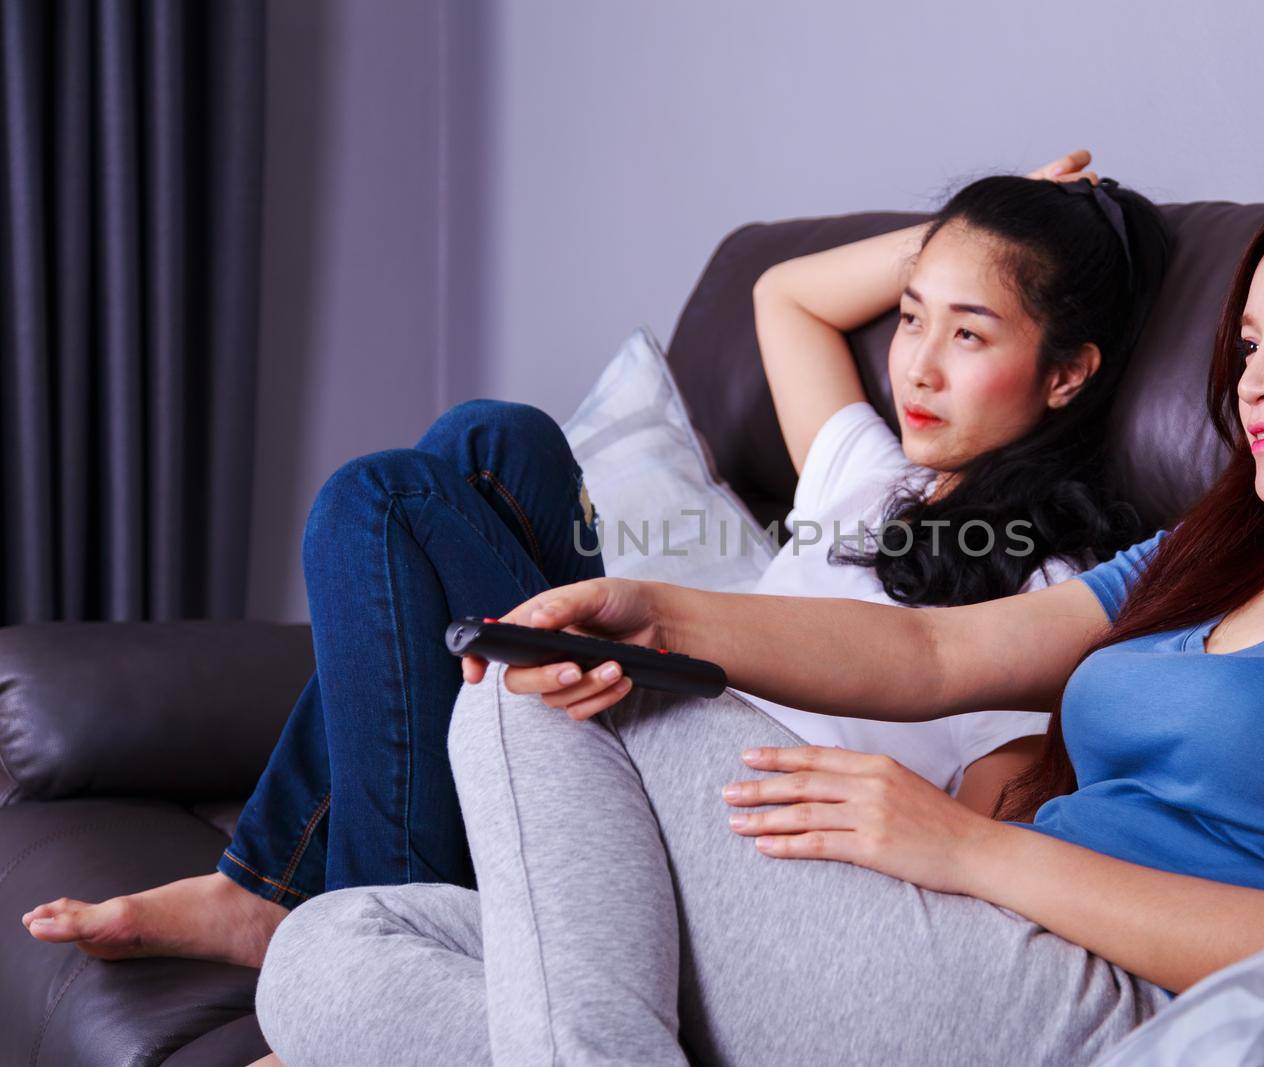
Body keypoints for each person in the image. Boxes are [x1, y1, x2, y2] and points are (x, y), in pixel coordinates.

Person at [250, 173, 1264, 1067]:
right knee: (324, 956)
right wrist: (659, 605)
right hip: (952, 932)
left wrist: (968, 851)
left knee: (517, 692)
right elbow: (936, 649)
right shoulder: (1211, 551)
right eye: (1244, 343)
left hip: (1082, 994)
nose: (1254, 378)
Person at [20, 150, 1169, 968]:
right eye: (912, 316)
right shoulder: (868, 468)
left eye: (970, 335)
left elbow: (978, 800)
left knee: (382, 501)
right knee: (492, 438)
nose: (915, 364)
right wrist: (996, 226)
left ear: (1068, 373)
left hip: (695, 824)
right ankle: (272, 901)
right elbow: (786, 294)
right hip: (642, 717)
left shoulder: (1057, 595)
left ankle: (370, 945)